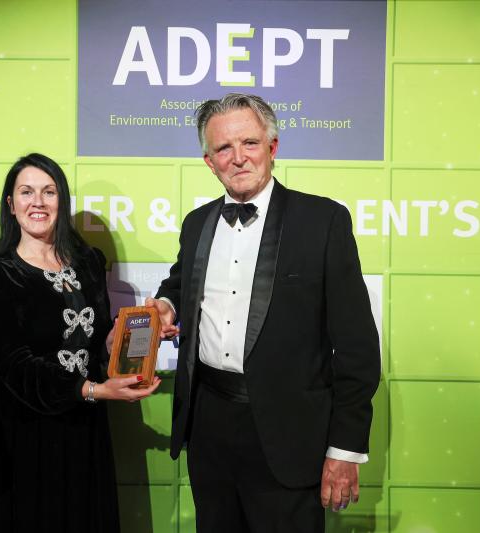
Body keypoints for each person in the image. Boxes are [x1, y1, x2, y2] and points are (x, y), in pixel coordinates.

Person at [147, 93, 381, 532]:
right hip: (208, 425)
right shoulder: (197, 222)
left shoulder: (323, 222)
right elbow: (182, 280)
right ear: (208, 161)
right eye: (223, 149)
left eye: (249, 143)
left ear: (272, 148)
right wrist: (166, 303)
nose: (238, 158)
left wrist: (345, 450)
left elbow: (357, 348)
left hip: (290, 434)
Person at [0, 153, 160, 532]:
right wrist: (93, 390)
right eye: (26, 192)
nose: (37, 202)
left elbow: (96, 340)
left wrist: (135, 337)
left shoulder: (88, 262)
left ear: (62, 201)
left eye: (48, 192)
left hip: (84, 431)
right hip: (23, 435)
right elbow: (13, 365)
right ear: (10, 204)